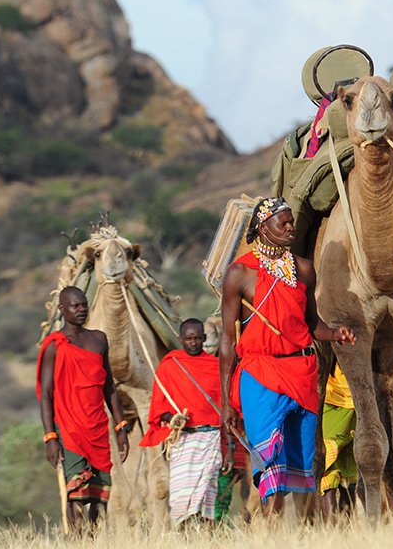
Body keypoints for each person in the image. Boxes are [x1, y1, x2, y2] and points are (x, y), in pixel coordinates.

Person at [218, 197, 356, 518]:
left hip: (302, 372)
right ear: (263, 228)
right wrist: (225, 400)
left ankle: (305, 533)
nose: (291, 227)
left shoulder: (304, 269)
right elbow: (227, 340)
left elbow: (311, 325)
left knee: (303, 465)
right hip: (259, 373)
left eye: (292, 221)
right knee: (270, 464)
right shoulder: (239, 274)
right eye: (283, 223)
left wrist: (335, 333)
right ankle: (271, 532)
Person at [38, 286, 130, 530]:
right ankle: (77, 541)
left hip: (97, 426)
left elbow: (109, 386)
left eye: (83, 304)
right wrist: (50, 437)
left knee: (99, 496)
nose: (81, 309)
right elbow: (46, 395)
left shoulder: (99, 339)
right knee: (75, 494)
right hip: (68, 427)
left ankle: (92, 540)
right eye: (74, 306)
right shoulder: (54, 345)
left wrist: (121, 426)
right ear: (61, 309)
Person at [139, 318, 239, 527]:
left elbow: (227, 410)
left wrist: (230, 448)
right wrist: (172, 418)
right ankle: (185, 539)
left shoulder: (216, 367)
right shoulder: (170, 365)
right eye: (188, 339)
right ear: (180, 340)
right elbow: (159, 408)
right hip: (183, 440)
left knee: (207, 496)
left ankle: (207, 539)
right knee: (182, 499)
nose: (193, 343)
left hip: (211, 439)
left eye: (197, 339)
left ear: (204, 339)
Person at [320, 363, 358, 521]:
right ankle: (345, 534)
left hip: (332, 400)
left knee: (328, 471)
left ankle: (333, 535)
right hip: (360, 399)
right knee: (349, 471)